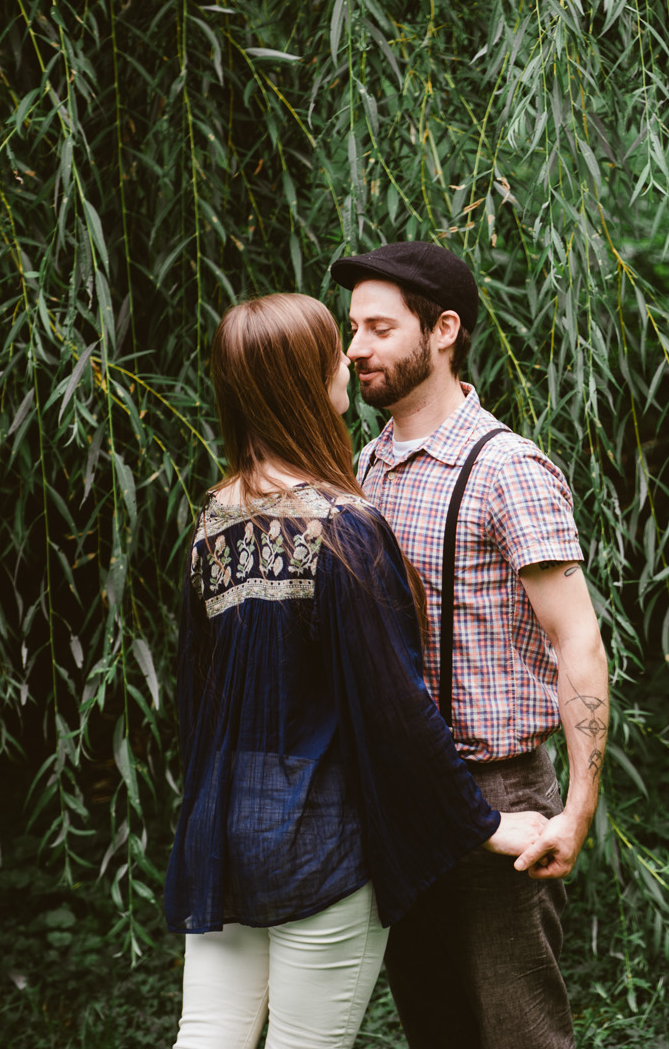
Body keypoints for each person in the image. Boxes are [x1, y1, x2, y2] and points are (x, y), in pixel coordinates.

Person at [163, 292, 549, 1049]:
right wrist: (489, 827)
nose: (347, 356)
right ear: (301, 383)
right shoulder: (344, 528)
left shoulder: (213, 525)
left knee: (207, 1035)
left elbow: (196, 705)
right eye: (327, 350)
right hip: (319, 836)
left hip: (223, 828)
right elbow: (393, 709)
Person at [330, 241, 610, 1049]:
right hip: (407, 796)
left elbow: (578, 640)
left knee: (519, 1033)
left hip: (504, 793)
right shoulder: (366, 470)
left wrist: (577, 809)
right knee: (435, 1028)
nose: (356, 349)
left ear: (443, 329)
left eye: (379, 328)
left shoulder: (507, 469)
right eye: (354, 329)